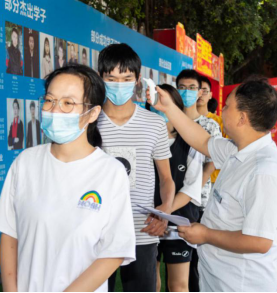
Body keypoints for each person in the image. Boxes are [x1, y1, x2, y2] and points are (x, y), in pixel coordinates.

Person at [0, 64, 136, 292]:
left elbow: (114, 251)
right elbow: (9, 234)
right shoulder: (25, 163)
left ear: (93, 113)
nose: (55, 110)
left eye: (68, 103)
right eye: (49, 100)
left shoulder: (111, 173)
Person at [148, 76, 277, 292]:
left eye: (227, 106)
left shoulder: (263, 171)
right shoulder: (237, 149)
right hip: (220, 277)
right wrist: (169, 108)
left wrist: (205, 234)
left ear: (242, 118)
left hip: (241, 283)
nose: (221, 110)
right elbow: (202, 141)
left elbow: (260, 241)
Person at [98, 43, 176, 293]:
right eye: (111, 78)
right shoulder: (88, 122)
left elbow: (167, 179)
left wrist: (165, 210)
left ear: (137, 79)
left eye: (126, 78)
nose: (119, 84)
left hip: (142, 231)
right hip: (97, 231)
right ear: (100, 77)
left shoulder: (154, 123)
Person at [147, 85, 204, 293]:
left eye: (165, 103)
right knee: (150, 282)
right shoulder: (145, 141)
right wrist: (156, 216)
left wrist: (164, 213)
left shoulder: (190, 143)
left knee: (178, 285)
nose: (159, 108)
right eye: (154, 103)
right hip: (147, 223)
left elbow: (190, 189)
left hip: (177, 225)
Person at [177, 70, 221, 293]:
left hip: (200, 202)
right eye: (182, 88)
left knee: (196, 263)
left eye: (192, 88)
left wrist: (193, 189)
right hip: (170, 202)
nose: (187, 92)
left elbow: (212, 162)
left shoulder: (211, 125)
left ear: (201, 92)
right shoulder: (168, 122)